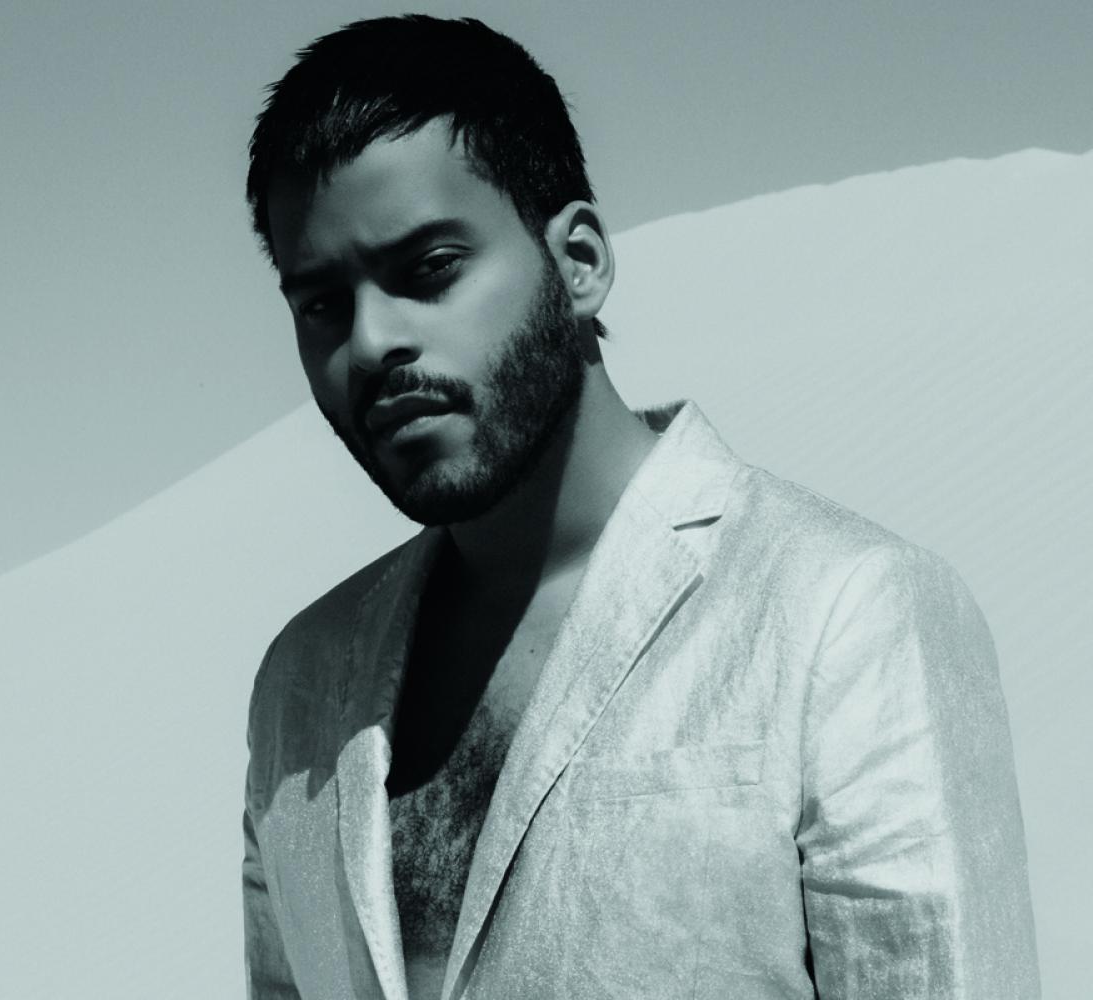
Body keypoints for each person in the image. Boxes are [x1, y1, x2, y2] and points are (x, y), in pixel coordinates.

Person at [240, 14, 1039, 1000]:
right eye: (322, 304)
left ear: (578, 262)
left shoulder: (842, 613)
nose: (371, 343)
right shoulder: (301, 683)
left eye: (430, 269)